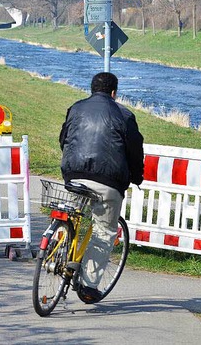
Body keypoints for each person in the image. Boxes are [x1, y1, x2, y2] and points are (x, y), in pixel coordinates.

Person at [59, 72, 144, 303]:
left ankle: (57, 252)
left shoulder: (76, 108)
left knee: (73, 213)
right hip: (108, 181)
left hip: (73, 174)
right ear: (114, 92)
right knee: (104, 232)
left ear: (92, 89)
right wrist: (137, 177)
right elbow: (135, 152)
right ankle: (88, 285)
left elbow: (64, 138)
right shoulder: (124, 115)